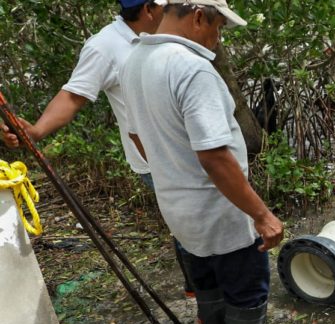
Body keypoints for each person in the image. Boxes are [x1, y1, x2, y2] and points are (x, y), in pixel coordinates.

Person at [119, 0, 299, 324]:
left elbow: (136, 135)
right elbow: (215, 155)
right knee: (246, 289)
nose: (218, 38)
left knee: (206, 282)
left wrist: (172, 170)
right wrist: (262, 214)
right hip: (219, 210)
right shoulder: (192, 68)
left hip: (176, 206)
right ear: (198, 15)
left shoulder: (134, 62)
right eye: (218, 26)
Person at [1, 0, 196, 298]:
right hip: (155, 158)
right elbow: (73, 96)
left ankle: (204, 288)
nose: (171, 9)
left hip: (190, 146)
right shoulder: (105, 46)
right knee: (189, 222)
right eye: (164, 5)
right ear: (147, 9)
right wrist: (37, 130)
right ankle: (205, 295)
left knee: (195, 218)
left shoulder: (165, 32)